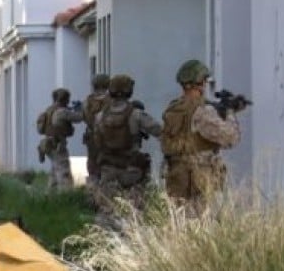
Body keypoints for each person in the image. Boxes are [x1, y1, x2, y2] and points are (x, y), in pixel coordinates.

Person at [160, 59, 241, 207]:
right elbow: (231, 138)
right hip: (199, 180)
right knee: (202, 225)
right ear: (201, 83)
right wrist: (230, 114)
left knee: (179, 224)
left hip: (176, 178)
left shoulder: (173, 109)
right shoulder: (203, 111)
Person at [93, 74, 163, 213]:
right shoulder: (136, 115)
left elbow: (97, 142)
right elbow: (160, 131)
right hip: (132, 171)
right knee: (133, 214)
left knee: (107, 212)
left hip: (108, 170)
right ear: (129, 91)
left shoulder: (100, 117)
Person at [36, 88, 83, 190]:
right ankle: (66, 196)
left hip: (47, 145)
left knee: (54, 171)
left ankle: (51, 195)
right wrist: (79, 108)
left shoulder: (49, 110)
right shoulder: (62, 112)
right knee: (64, 172)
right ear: (65, 99)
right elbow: (79, 118)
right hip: (57, 145)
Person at [82, 73, 112, 188]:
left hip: (91, 136)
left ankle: (92, 192)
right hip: (108, 137)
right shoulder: (111, 100)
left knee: (93, 166)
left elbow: (84, 117)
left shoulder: (87, 101)